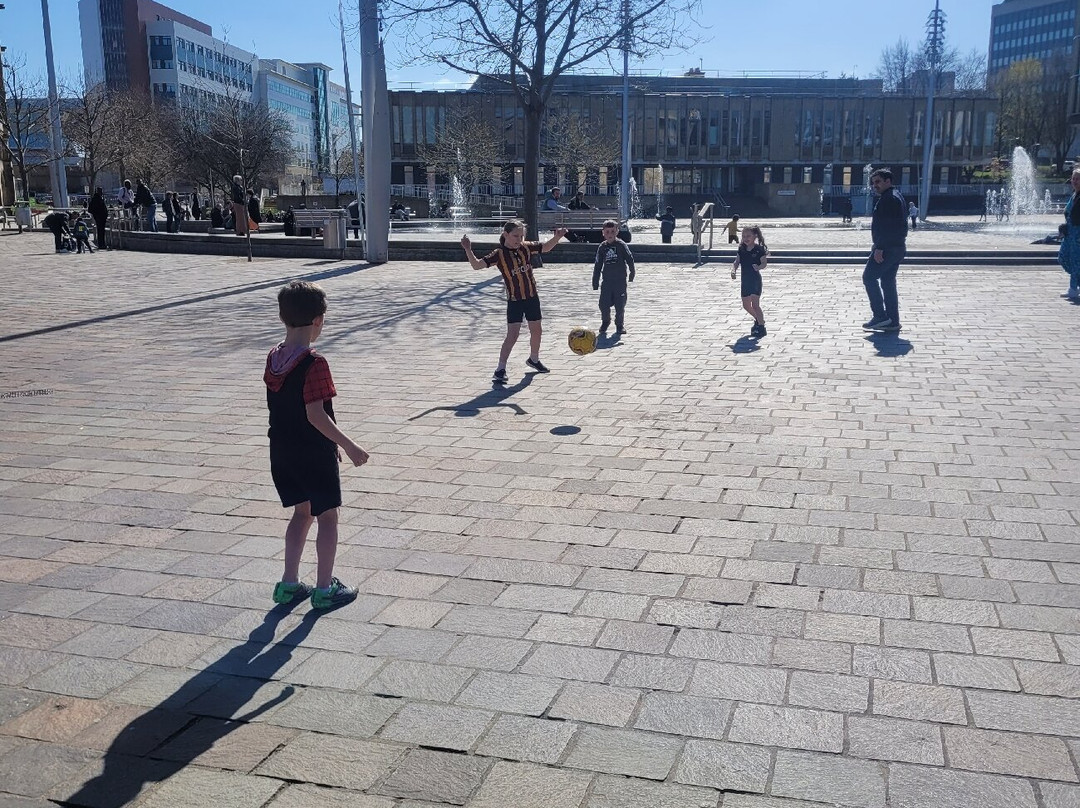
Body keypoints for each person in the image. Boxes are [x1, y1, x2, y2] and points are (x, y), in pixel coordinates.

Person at [264, 281, 370, 610]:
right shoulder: (315, 363)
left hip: (282, 450)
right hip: (312, 453)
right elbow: (315, 415)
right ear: (318, 321)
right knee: (328, 517)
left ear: (282, 317)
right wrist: (349, 445)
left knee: (302, 513)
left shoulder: (274, 357)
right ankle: (325, 589)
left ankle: (288, 584)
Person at [460, 220, 569, 384]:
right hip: (515, 300)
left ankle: (534, 359)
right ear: (506, 235)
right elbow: (476, 265)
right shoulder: (499, 254)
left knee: (537, 330)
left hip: (531, 296)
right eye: (515, 236)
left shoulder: (526, 247)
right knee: (512, 335)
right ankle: (500, 369)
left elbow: (545, 247)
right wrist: (468, 249)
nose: (519, 239)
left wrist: (557, 237)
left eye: (521, 236)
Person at [862, 167, 907, 331]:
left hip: (887, 248)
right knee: (888, 282)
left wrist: (880, 247)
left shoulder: (889, 199)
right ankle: (892, 321)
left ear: (888, 181)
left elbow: (889, 226)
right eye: (873, 183)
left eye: (878, 182)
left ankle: (880, 316)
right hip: (896, 247)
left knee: (868, 277)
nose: (875, 185)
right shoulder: (895, 196)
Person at [592, 219, 636, 336]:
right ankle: (605, 321)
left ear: (617, 232)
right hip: (607, 281)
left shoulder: (621, 245)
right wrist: (595, 281)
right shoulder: (602, 247)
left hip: (620, 281)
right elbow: (598, 265)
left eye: (612, 231)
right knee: (603, 304)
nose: (610, 234)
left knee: (620, 304)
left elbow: (629, 259)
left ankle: (619, 324)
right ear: (603, 233)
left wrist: (632, 273)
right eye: (607, 232)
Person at [731, 225, 769, 337]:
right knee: (746, 305)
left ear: (754, 236)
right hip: (745, 280)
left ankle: (761, 327)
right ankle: (758, 319)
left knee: (755, 304)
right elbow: (737, 261)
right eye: (743, 236)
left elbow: (764, 263)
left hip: (755, 280)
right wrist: (733, 270)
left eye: (748, 236)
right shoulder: (742, 248)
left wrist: (759, 267)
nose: (746, 238)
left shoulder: (759, 249)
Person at [1058, 167, 1080, 299]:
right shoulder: (1074, 195)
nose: (1075, 181)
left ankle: (1073, 288)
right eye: (1073, 179)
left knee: (1076, 261)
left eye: (1078, 179)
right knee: (1063, 257)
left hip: (1078, 235)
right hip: (1069, 234)